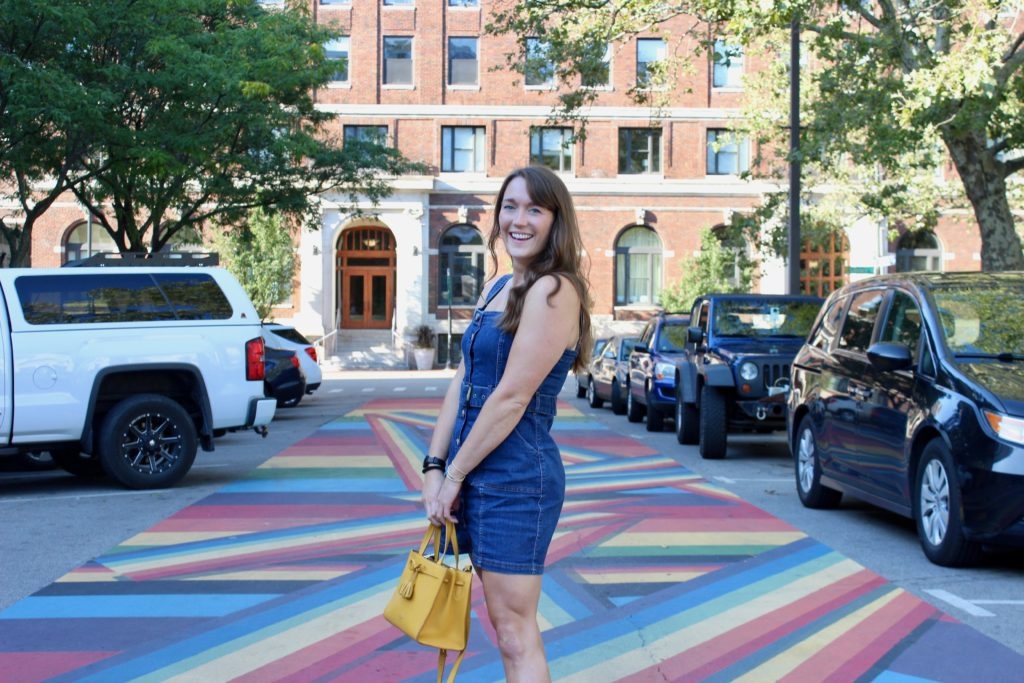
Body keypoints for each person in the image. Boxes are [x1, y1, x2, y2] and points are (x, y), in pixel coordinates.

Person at [421, 165, 593, 682]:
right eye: (510, 206)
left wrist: (454, 476)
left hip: (516, 478)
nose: (519, 220)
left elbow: (511, 397)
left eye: (534, 209)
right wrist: (434, 465)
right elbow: (463, 379)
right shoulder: (498, 287)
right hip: (474, 470)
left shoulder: (555, 291)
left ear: (555, 221)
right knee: (501, 625)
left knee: (515, 630)